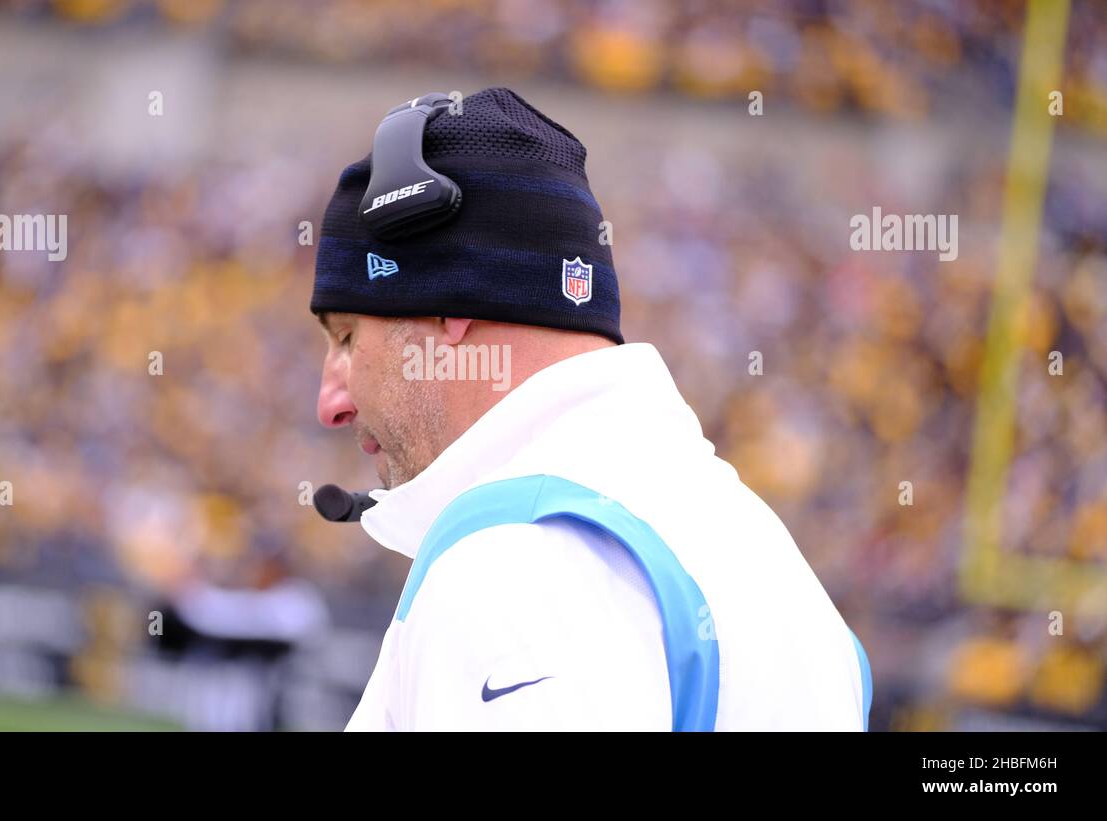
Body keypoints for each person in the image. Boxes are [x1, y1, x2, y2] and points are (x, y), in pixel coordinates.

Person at [310, 88, 871, 731]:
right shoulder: (762, 553)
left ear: (449, 306)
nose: (332, 403)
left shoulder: (516, 555)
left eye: (349, 337)